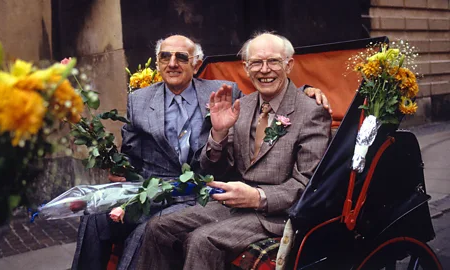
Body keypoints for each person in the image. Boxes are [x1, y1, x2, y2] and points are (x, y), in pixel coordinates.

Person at [72, 34, 329, 270]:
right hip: (190, 194)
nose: (264, 69)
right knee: (145, 226)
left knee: (199, 240)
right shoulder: (242, 104)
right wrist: (217, 135)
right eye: (256, 63)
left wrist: (258, 196)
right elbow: (133, 149)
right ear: (246, 68)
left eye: (272, 61)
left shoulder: (231, 93)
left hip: (257, 208)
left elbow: (309, 182)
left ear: (196, 65)